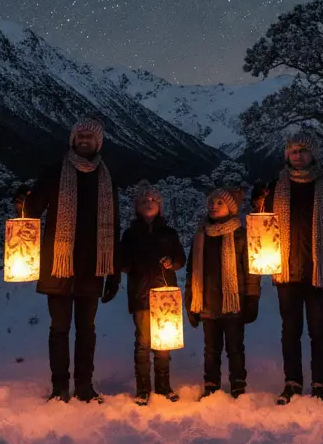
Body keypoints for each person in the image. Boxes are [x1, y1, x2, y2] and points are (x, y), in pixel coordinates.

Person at [15, 118, 121, 403]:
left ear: (98, 142)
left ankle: (84, 386)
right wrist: (22, 200)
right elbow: (32, 211)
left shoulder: (107, 179)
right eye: (80, 135)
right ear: (72, 139)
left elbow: (114, 224)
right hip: (58, 267)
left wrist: (114, 271)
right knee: (59, 329)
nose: (84, 139)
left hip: (92, 268)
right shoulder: (54, 174)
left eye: (90, 136)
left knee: (87, 330)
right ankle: (60, 387)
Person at [253, 131, 323, 405]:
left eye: (303, 151)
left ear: (313, 155)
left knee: (319, 330)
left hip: (318, 271)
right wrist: (257, 202)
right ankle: (292, 383)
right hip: (288, 272)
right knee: (290, 330)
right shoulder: (277, 187)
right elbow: (264, 225)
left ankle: (320, 384)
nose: (298, 156)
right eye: (294, 151)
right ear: (287, 155)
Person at [184, 187, 260, 399]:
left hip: (233, 300)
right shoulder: (200, 236)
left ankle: (238, 382)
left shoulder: (240, 235)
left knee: (235, 346)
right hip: (207, 301)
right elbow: (192, 271)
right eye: (211, 202)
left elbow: (251, 270)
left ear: (231, 208)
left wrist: (253, 297)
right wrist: (190, 301)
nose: (213, 205)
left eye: (219, 203)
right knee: (211, 348)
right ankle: (211, 382)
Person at [119, 181, 187, 405]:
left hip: (165, 295)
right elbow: (122, 261)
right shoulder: (130, 234)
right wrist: (129, 264)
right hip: (140, 294)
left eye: (153, 200)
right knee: (143, 341)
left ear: (160, 206)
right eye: (144, 200)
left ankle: (164, 385)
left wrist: (172, 262)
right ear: (137, 207)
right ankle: (143, 388)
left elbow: (180, 259)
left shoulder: (168, 233)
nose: (149, 203)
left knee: (163, 343)